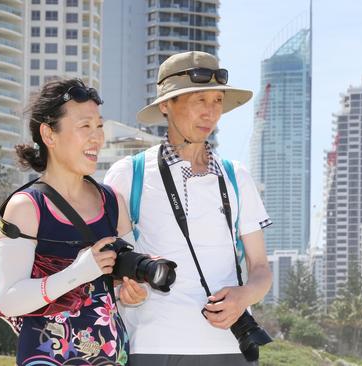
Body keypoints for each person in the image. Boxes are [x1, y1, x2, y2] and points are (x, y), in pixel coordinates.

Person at [104, 51, 273, 365]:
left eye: (217, 101)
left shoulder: (237, 176)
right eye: (199, 100)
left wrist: (244, 296)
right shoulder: (129, 174)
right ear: (166, 105)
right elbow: (111, 263)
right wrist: (123, 288)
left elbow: (261, 269)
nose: (210, 113)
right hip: (154, 345)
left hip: (230, 347)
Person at [0, 78, 147, 365]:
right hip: (47, 356)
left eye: (99, 126)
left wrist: (132, 292)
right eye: (85, 126)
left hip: (110, 356)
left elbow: (121, 288)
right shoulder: (26, 207)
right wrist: (77, 272)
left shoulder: (114, 203)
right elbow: (8, 299)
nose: (97, 137)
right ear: (49, 135)